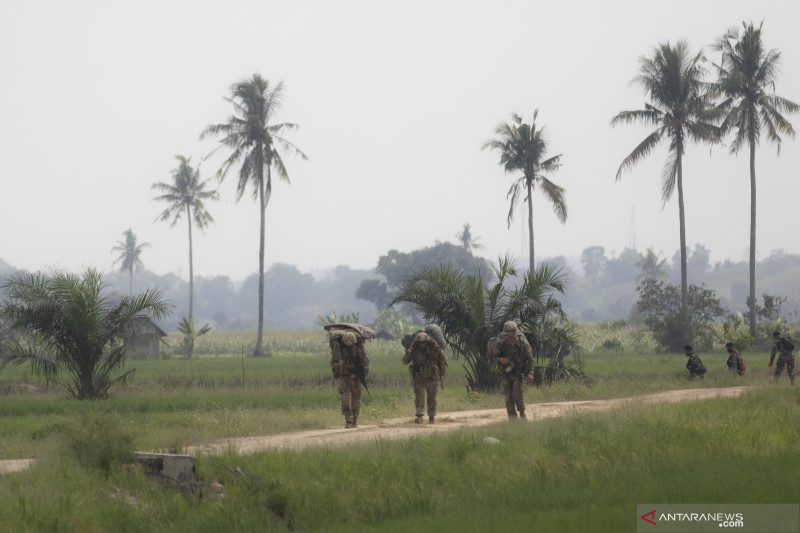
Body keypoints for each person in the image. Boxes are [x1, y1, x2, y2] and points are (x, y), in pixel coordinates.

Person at [487, 321, 534, 420]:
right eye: (508, 332)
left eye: (512, 331)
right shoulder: (501, 344)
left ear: (515, 331)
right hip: (505, 373)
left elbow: (530, 358)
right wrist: (500, 360)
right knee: (508, 397)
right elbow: (492, 357)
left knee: (517, 395)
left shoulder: (522, 343)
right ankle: (512, 419)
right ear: (505, 332)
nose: (510, 334)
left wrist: (530, 373)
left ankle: (522, 412)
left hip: (518, 373)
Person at [401, 331, 447, 424]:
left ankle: (431, 417)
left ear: (427, 342)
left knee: (432, 397)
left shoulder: (433, 349)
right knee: (419, 397)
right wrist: (409, 352)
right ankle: (419, 416)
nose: (422, 344)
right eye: (420, 343)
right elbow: (404, 361)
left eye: (424, 342)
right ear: (417, 343)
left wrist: (438, 348)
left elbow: (442, 358)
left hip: (432, 377)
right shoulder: (414, 350)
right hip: (418, 377)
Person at [330, 330, 370, 428]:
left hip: (355, 376)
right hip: (344, 376)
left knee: (356, 399)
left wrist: (364, 353)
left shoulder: (359, 349)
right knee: (344, 398)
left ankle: (355, 419)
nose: (349, 346)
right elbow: (332, 364)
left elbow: (365, 363)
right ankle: (348, 419)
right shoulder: (339, 350)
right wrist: (338, 364)